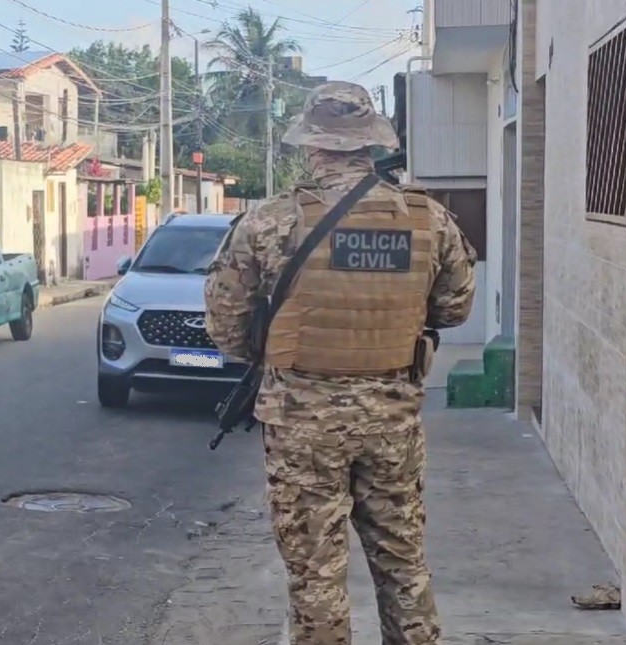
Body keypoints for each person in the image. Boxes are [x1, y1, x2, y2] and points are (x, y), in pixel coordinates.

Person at [203, 81, 477, 645]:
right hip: (392, 416)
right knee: (403, 564)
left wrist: (287, 351)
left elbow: (226, 326)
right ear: (370, 145)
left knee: (316, 576)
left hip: (302, 420)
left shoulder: (269, 222)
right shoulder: (429, 219)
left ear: (312, 145)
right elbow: (453, 309)